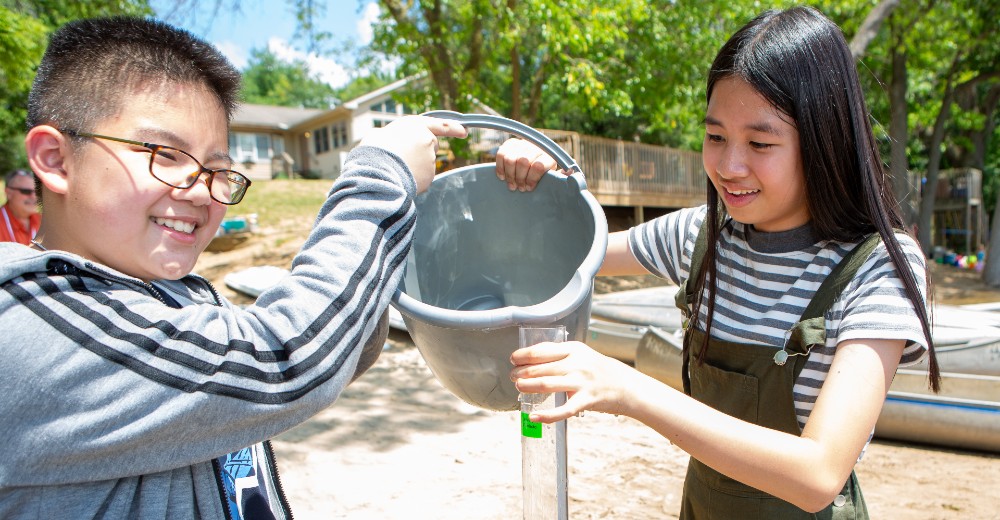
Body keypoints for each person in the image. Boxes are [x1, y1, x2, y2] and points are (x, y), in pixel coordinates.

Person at [0, 16, 465, 519]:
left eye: (218, 170)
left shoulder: (175, 295)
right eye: (164, 153)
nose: (201, 189)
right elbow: (288, 357)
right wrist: (381, 173)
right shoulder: (32, 322)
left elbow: (336, 348)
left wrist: (411, 206)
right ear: (55, 159)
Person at [496, 6, 938, 518]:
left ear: (825, 142)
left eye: (760, 142)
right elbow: (565, 257)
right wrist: (535, 184)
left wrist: (628, 388)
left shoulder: (878, 266)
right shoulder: (699, 237)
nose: (728, 166)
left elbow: (818, 474)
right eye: (715, 136)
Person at [1, 169, 41, 244]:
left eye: (36, 192)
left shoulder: (43, 222)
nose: (33, 197)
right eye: (26, 191)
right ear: (8, 193)